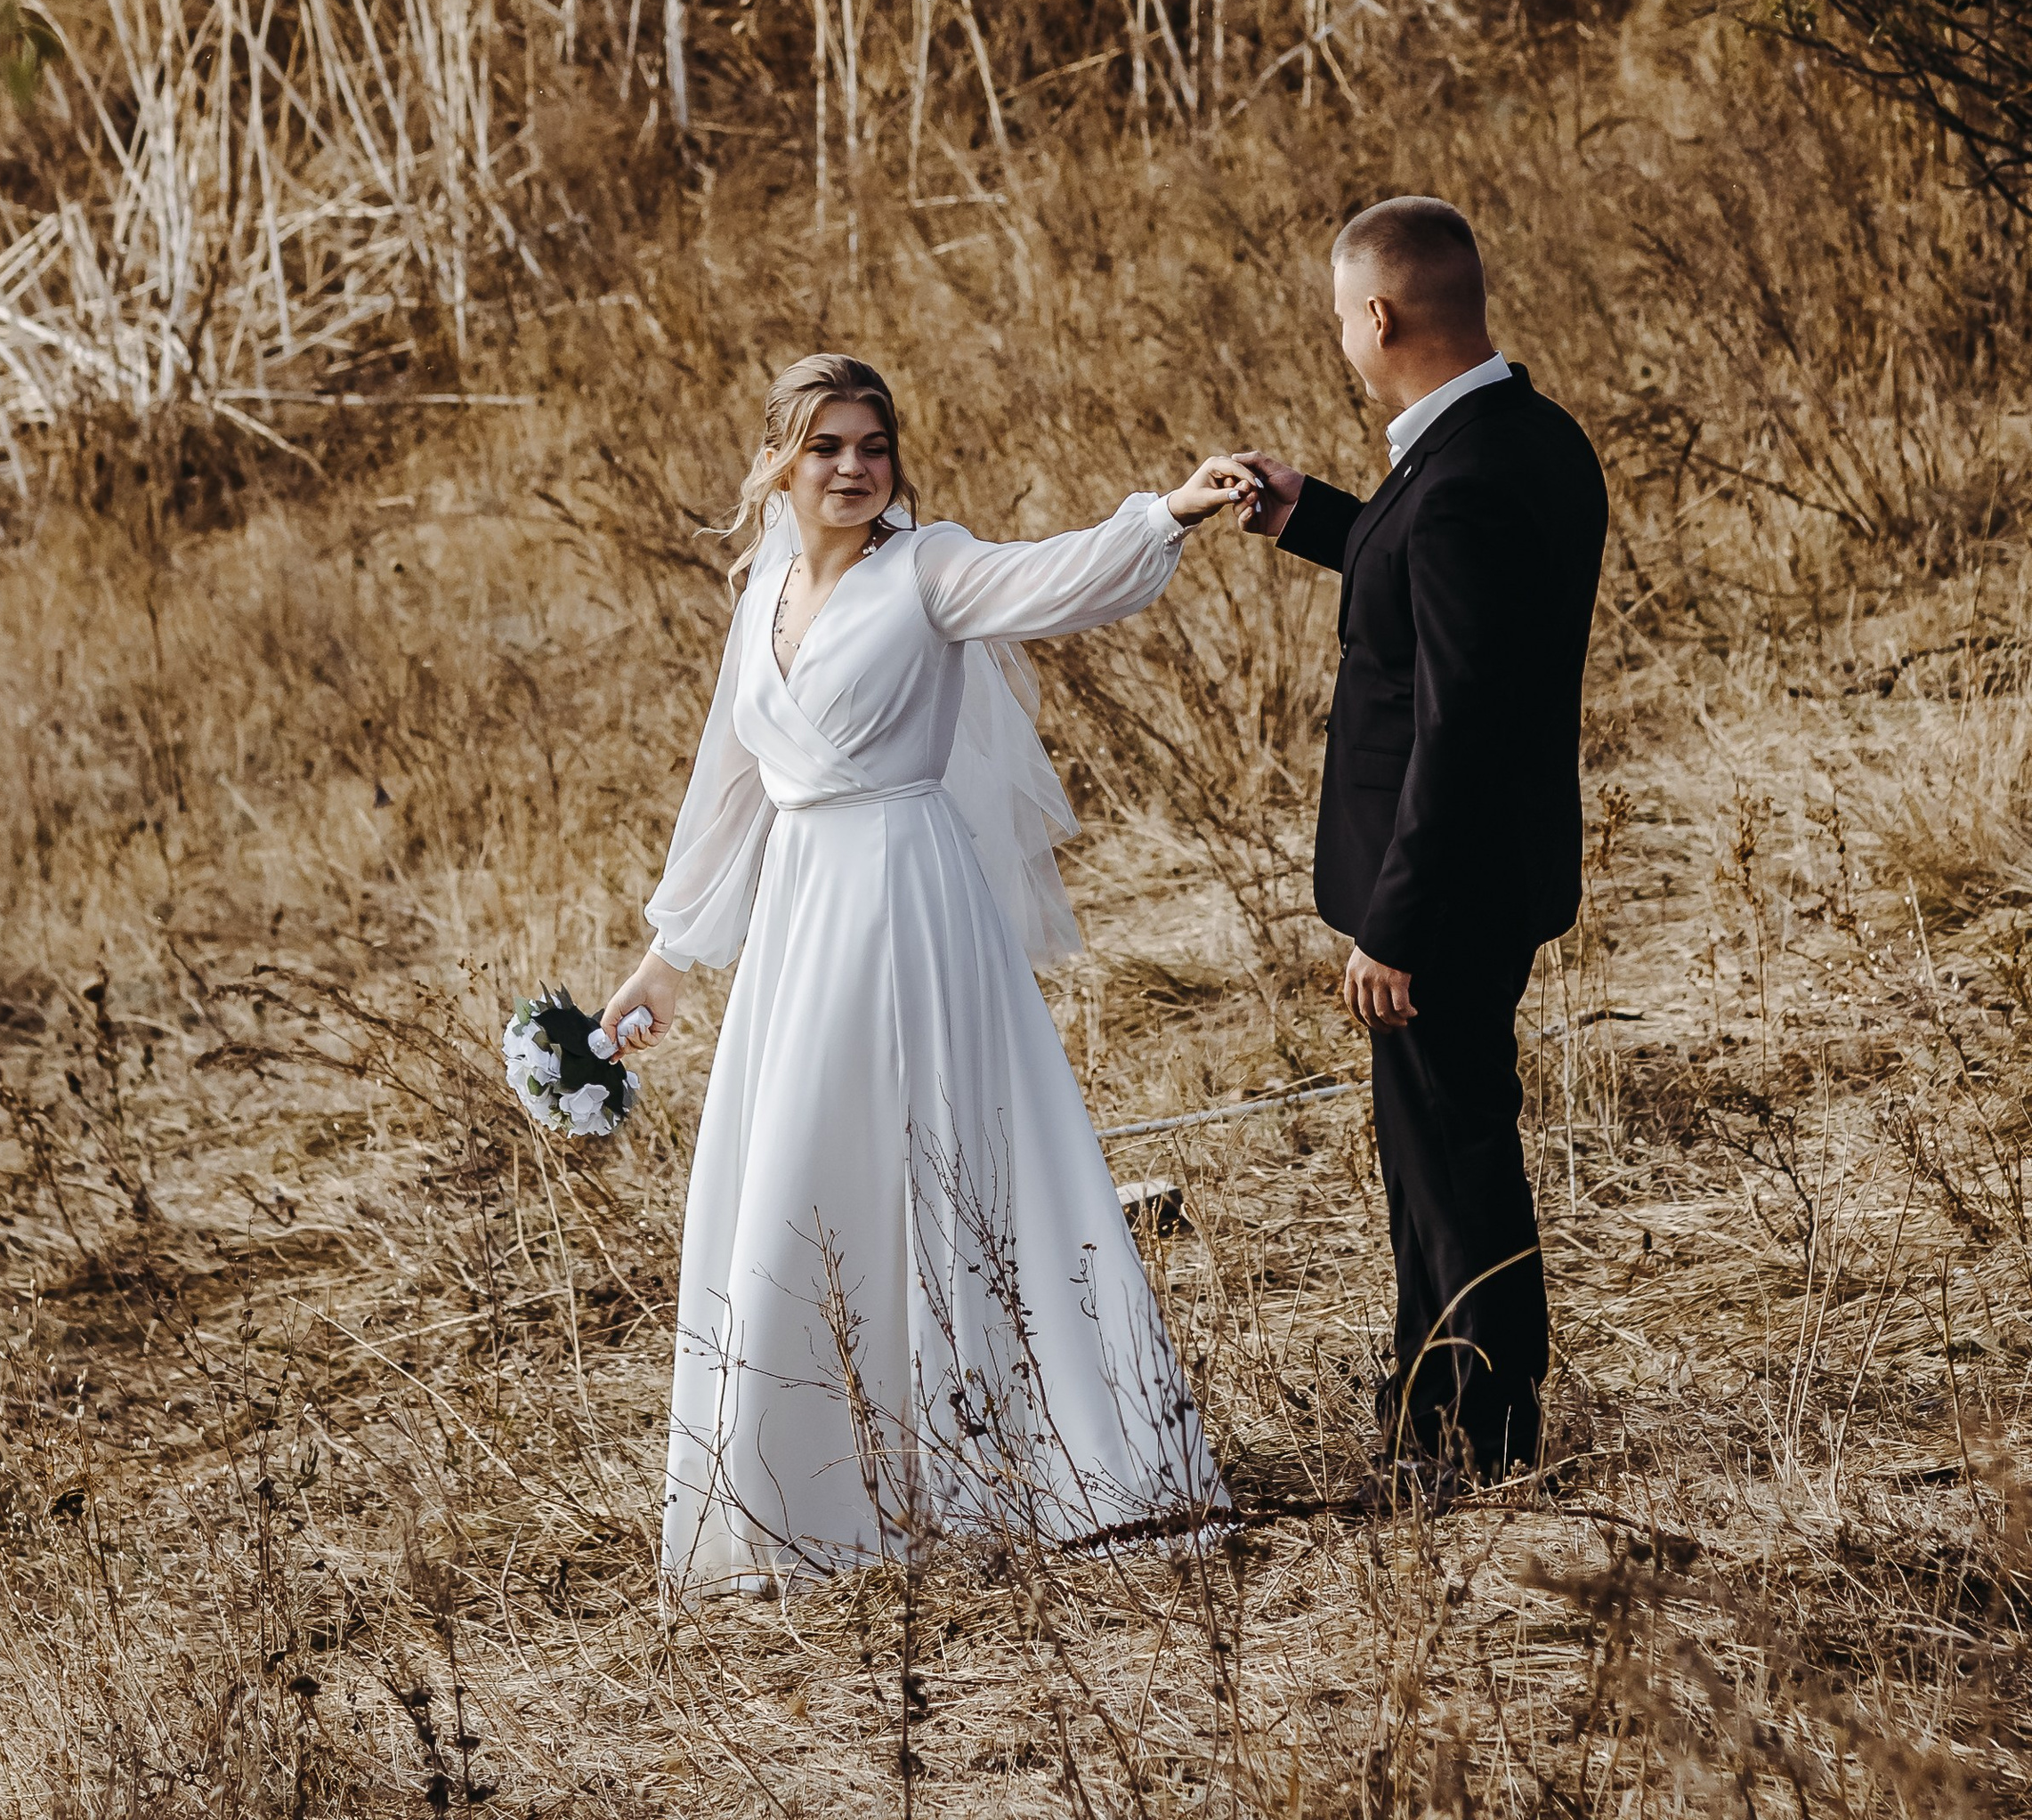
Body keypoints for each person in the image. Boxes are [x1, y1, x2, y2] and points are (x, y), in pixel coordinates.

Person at [601, 352, 1259, 1597]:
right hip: (802, 915)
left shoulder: (929, 569)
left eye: (874, 445)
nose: (854, 468)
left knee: (942, 1156)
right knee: (802, 1164)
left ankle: (1022, 1463)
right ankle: (809, 1491)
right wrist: (667, 960)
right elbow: (729, 789)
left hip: (908, 894)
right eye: (827, 446)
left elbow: (1056, 576)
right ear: (779, 463)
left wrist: (1168, 512)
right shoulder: (763, 594)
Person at [1238, 198, 1607, 1480]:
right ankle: (1436, 1418)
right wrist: (1313, 516)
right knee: (1443, 1155)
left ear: (1381, 316)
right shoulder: (1523, 438)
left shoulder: (1459, 482)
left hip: (1444, 892)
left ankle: (1475, 1442)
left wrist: (1395, 924)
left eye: (1344, 316)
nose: (1342, 337)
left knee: (1452, 1169)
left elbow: (1460, 725)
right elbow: (1441, 585)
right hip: (1491, 871)